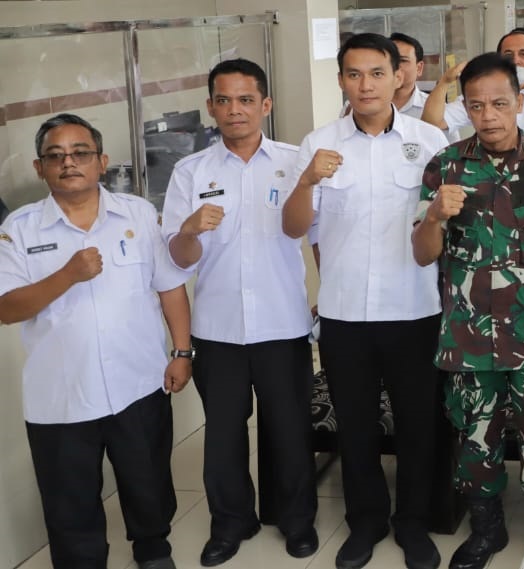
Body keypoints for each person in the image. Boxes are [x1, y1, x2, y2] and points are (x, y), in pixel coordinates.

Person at [280, 33, 450, 569]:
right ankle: (366, 521)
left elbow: (442, 231)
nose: (365, 85)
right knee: (353, 425)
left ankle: (413, 523)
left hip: (414, 309)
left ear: (398, 76)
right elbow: (292, 228)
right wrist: (306, 180)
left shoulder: (429, 141)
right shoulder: (318, 144)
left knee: (417, 423)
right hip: (345, 311)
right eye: (354, 74)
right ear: (341, 81)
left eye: (377, 72)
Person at [411, 52, 524, 569]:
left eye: (499, 103)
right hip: (468, 337)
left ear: (521, 102)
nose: (488, 115)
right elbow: (422, 253)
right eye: (476, 105)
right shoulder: (445, 165)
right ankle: (486, 532)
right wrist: (436, 217)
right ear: (464, 106)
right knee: (475, 440)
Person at [0, 113, 193, 569]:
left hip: (137, 382)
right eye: (56, 155)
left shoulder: (138, 214)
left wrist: (182, 352)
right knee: (71, 500)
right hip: (62, 395)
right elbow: (7, 309)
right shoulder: (19, 231)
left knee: (147, 482)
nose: (69, 163)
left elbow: (169, 286)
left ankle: (153, 549)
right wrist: (67, 274)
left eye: (80, 152)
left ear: (102, 161)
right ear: (39, 168)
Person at [160, 58, 318, 566]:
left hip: (283, 322)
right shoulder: (191, 172)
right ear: (210, 108)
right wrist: (187, 230)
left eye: (246, 99)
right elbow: (178, 259)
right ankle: (230, 523)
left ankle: (295, 520)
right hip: (218, 330)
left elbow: (316, 240)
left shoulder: (295, 163)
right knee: (223, 434)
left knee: (289, 429)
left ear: (265, 105)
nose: (235, 110)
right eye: (223, 101)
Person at [424, 29, 524, 153]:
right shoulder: (481, 98)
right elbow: (432, 123)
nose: (515, 61)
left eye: (523, 54)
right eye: (508, 55)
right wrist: (445, 82)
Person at [341, 32, 429, 119]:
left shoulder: (435, 108)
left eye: (402, 60)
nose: (395, 66)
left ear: (419, 68)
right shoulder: (354, 105)